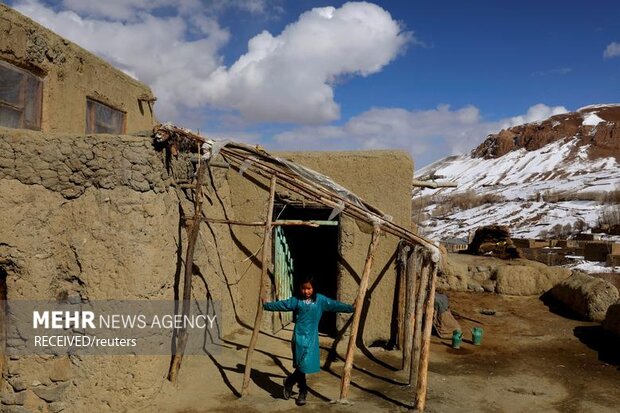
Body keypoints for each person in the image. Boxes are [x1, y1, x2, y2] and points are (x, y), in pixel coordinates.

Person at [263, 276, 354, 406]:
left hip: (311, 338)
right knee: (301, 365)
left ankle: (291, 382)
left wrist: (351, 308)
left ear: (314, 288)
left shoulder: (321, 300)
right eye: (303, 288)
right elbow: (282, 305)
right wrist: (266, 305)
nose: (306, 292)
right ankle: (302, 392)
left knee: (304, 365)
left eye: (309, 288)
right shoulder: (297, 301)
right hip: (299, 337)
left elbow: (335, 305)